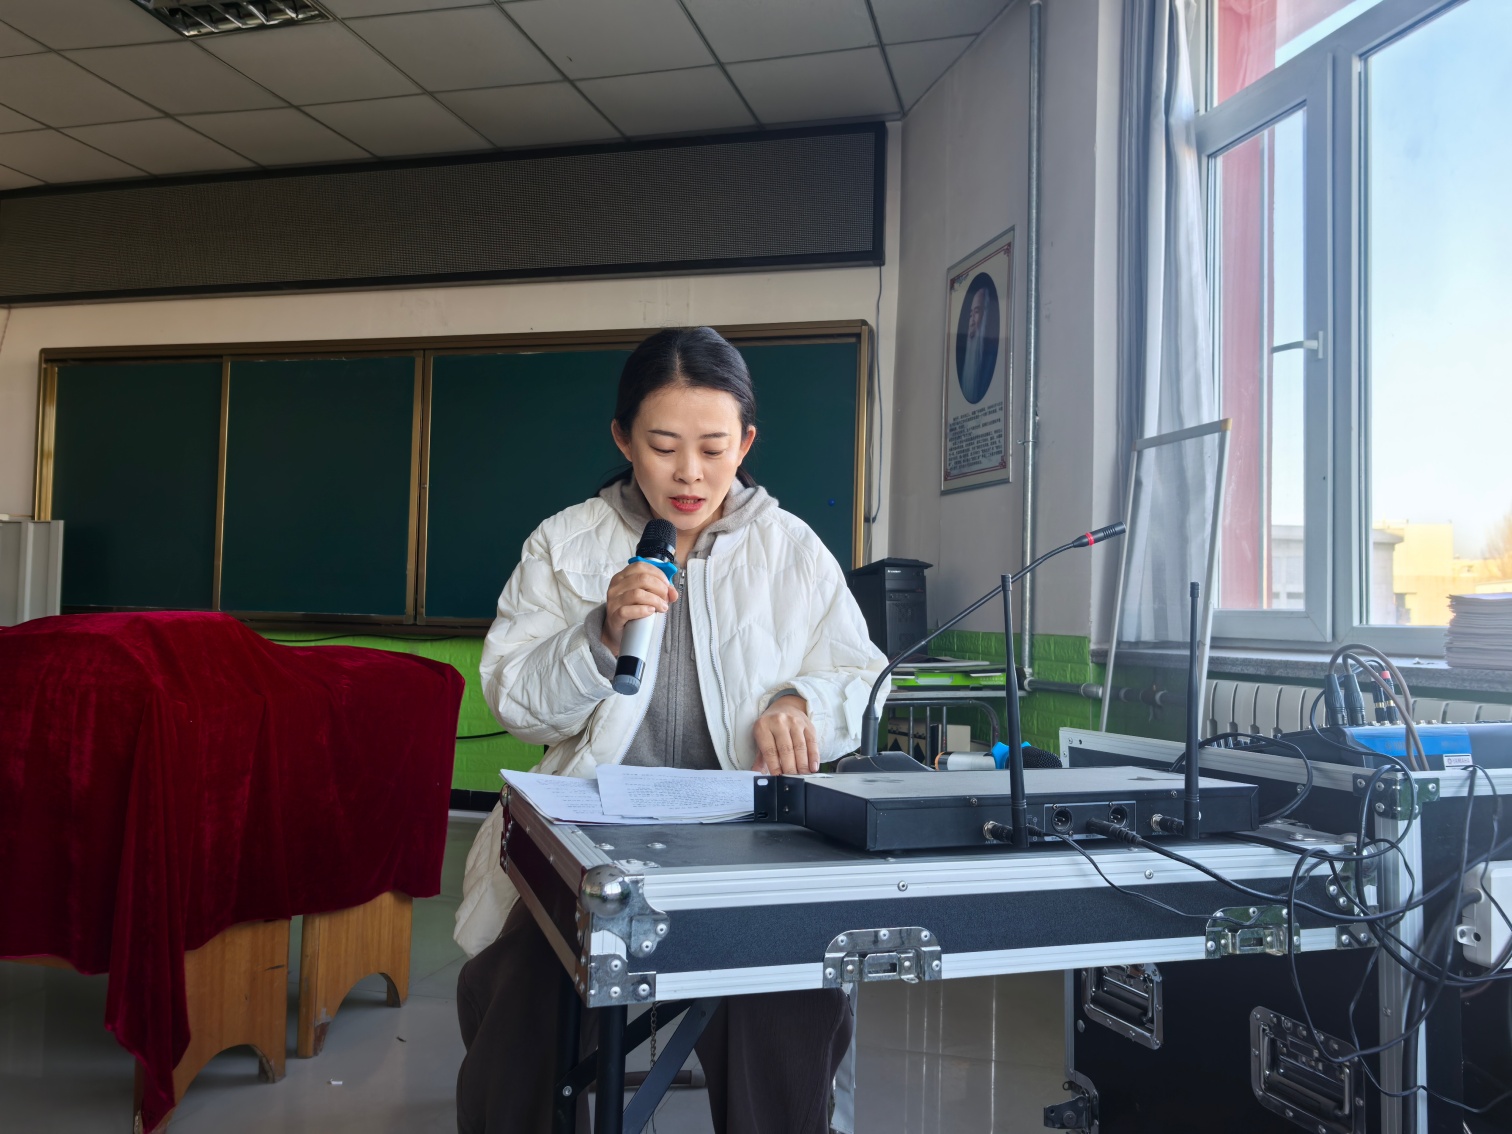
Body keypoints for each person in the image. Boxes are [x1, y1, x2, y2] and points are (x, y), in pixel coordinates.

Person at [454, 326, 887, 1134]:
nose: (690, 474)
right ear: (624, 438)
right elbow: (514, 699)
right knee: (522, 1010)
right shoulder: (565, 543)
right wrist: (598, 637)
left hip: (750, 847)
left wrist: (802, 703)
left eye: (715, 448)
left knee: (787, 1005)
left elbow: (862, 679)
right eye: (662, 445)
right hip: (593, 846)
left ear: (746, 442)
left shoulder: (789, 549)